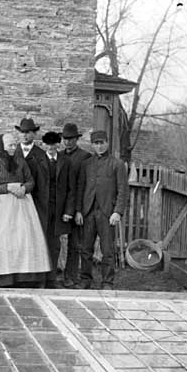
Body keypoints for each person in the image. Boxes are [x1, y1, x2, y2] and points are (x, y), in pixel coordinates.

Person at [0, 133, 51, 287]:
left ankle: (25, 278)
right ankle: (4, 279)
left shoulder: (21, 162)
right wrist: (7, 187)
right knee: (5, 239)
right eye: (9, 145)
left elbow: (31, 181)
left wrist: (24, 188)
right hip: (2, 207)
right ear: (1, 146)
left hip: (22, 206)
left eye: (14, 145)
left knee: (23, 238)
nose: (13, 148)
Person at [74, 130, 128, 290]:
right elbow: (80, 188)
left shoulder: (117, 164)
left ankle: (107, 282)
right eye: (96, 143)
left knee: (108, 250)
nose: (99, 146)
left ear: (107, 143)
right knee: (85, 249)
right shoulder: (86, 164)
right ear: (92, 145)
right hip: (88, 212)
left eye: (102, 142)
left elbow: (123, 190)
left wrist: (117, 212)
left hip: (107, 213)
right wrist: (78, 210)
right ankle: (85, 280)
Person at [59, 123, 92, 287]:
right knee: (55, 242)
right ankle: (52, 275)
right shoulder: (58, 156)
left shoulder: (84, 157)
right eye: (65, 139)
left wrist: (78, 209)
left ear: (76, 139)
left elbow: (82, 185)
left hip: (77, 204)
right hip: (60, 206)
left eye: (71, 139)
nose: (67, 142)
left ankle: (70, 276)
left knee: (75, 243)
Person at [41, 131, 74, 288]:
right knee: (41, 242)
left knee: (55, 244)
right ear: (44, 145)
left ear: (58, 145)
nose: (51, 147)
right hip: (42, 209)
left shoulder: (65, 162)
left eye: (54, 144)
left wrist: (68, 211)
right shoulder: (38, 161)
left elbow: (70, 188)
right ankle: (41, 278)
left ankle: (52, 279)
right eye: (48, 144)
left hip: (59, 209)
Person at [14, 118, 49, 234]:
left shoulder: (41, 155)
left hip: (35, 201)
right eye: (22, 132)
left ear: (34, 134)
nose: (25, 135)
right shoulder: (12, 152)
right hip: (15, 201)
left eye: (28, 132)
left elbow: (44, 183)